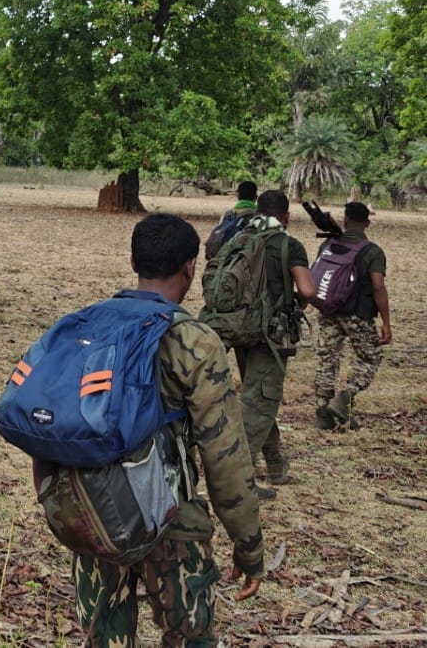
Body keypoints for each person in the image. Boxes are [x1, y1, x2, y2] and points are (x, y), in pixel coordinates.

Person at [67, 212, 263, 647]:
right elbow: (225, 457)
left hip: (96, 515)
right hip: (172, 522)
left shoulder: (91, 324)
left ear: (136, 261)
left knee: (104, 640)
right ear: (190, 266)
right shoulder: (195, 340)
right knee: (190, 638)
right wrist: (248, 545)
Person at [228, 190, 314, 499]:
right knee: (260, 400)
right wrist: (301, 303)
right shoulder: (289, 244)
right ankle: (240, 481)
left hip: (240, 329)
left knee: (258, 398)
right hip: (272, 335)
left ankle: (276, 464)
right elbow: (306, 288)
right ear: (286, 217)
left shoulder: (238, 238)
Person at [313, 202, 391, 430]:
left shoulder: (328, 244)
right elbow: (378, 286)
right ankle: (344, 398)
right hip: (358, 314)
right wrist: (386, 322)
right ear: (367, 223)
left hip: (328, 310)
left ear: (345, 221)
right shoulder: (372, 251)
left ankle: (322, 412)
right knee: (370, 357)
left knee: (327, 359)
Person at [204, 181, 258, 260]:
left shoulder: (227, 214)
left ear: (238, 195)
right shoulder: (258, 217)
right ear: (256, 197)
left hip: (225, 260)